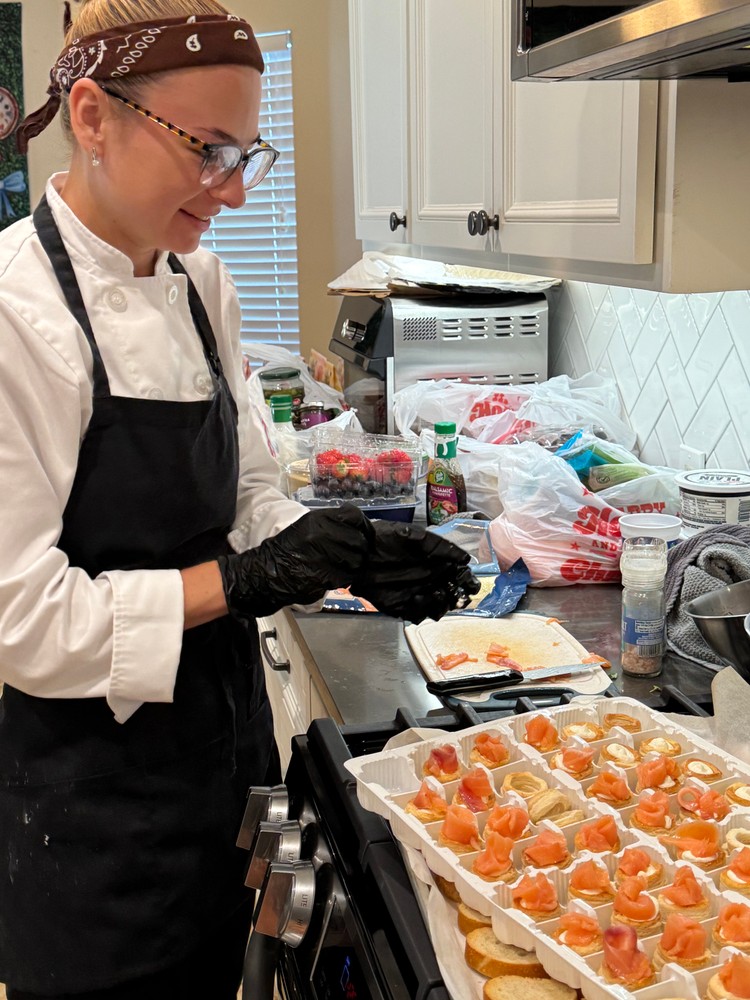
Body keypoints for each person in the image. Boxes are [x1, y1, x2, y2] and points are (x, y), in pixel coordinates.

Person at [0, 2, 478, 997]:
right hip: (90, 817)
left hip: (226, 758)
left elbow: (251, 486)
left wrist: (341, 553)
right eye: (206, 150)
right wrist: (244, 580)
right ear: (91, 116)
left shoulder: (203, 283)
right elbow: (23, 619)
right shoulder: (17, 313)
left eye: (245, 154)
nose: (232, 190)